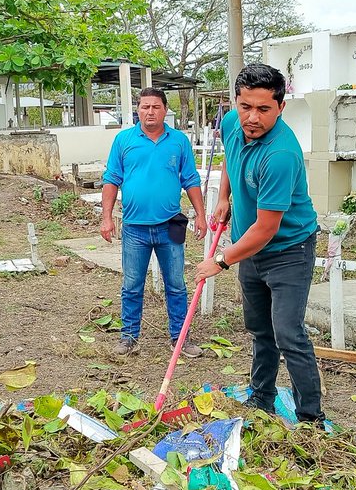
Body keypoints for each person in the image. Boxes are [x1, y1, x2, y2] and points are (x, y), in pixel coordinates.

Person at [194, 63, 325, 422]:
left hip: (288, 251)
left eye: (264, 109)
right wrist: (224, 197)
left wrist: (220, 261)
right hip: (248, 248)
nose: (252, 117)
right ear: (236, 101)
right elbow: (231, 161)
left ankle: (311, 418)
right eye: (245, 106)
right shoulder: (232, 123)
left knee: (288, 333)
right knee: (259, 328)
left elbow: (267, 229)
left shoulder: (280, 155)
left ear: (281, 107)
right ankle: (262, 398)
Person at [101, 87, 207, 358]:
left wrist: (201, 214)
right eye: (145, 106)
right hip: (134, 228)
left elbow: (191, 179)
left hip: (169, 226)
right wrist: (106, 218)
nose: (150, 111)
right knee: (132, 285)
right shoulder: (124, 140)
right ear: (138, 110)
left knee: (176, 285)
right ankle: (128, 337)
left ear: (164, 110)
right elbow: (112, 179)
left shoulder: (179, 141)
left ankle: (180, 338)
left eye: (155, 107)